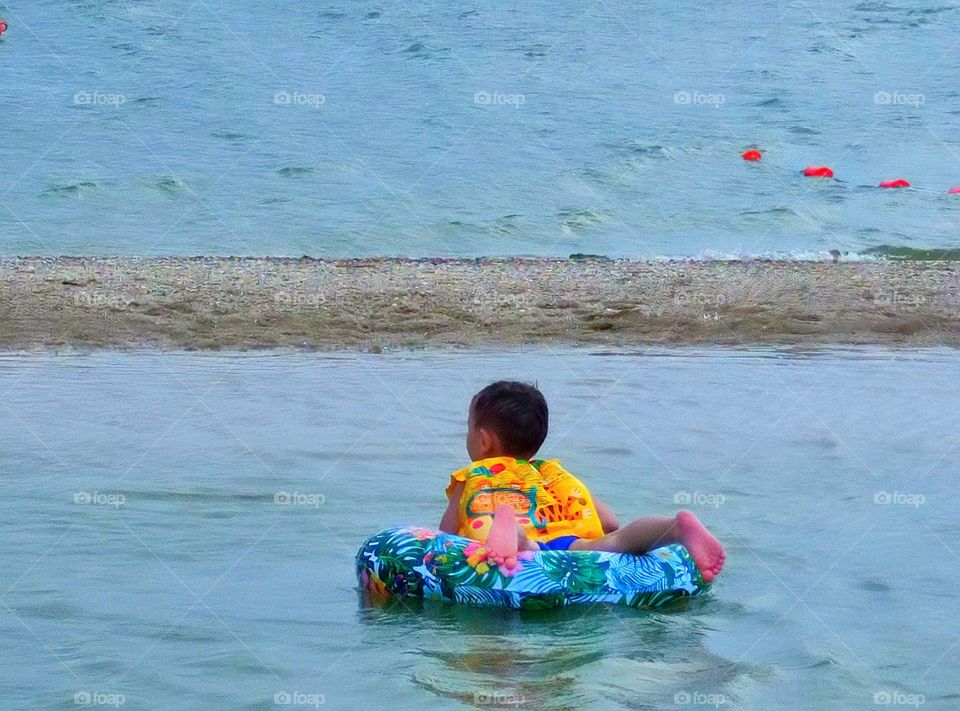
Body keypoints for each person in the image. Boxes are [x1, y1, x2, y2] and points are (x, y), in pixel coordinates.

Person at [439, 381, 725, 582]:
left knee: (527, 544)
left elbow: (446, 538)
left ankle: (515, 534)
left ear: (484, 440)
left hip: (527, 550)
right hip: (570, 543)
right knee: (617, 540)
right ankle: (672, 527)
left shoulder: (473, 475)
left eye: (468, 427)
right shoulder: (550, 472)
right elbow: (610, 523)